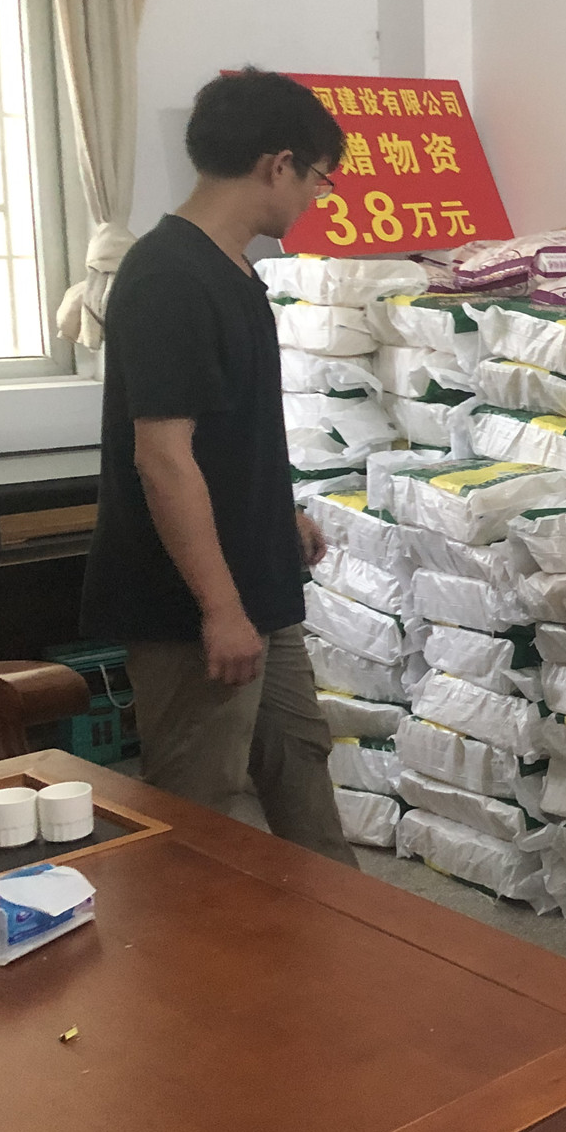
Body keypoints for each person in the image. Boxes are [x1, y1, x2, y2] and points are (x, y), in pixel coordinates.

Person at [81, 68, 355, 867]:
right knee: (201, 816)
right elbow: (163, 460)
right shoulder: (169, 277)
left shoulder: (232, 270)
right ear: (279, 164)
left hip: (259, 586)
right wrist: (221, 609)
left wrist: (279, 513)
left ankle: (336, 935)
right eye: (318, 178)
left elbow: (229, 436)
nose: (317, 197)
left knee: (302, 773)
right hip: (193, 608)